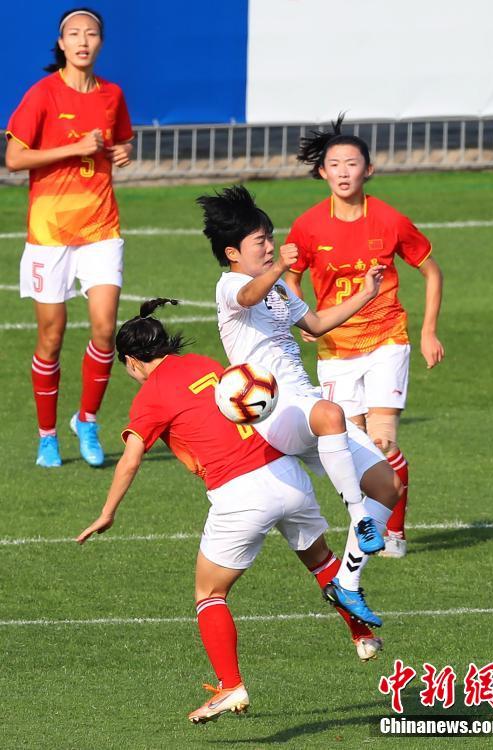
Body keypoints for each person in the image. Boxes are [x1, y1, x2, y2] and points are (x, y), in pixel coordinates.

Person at [77, 299, 385, 725]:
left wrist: (107, 512)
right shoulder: (204, 364)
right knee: (321, 561)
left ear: (131, 361)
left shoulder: (150, 396)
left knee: (209, 594)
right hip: (286, 474)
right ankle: (362, 635)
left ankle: (230, 685)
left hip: (239, 495)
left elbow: (130, 459)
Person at [196, 186, 402, 627]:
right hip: (272, 409)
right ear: (233, 253)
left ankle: (347, 582)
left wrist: (366, 293)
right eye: (260, 241)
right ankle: (358, 518)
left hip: (304, 404)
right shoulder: (230, 286)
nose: (270, 246)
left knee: (388, 485)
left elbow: (317, 323)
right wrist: (281, 269)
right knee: (332, 414)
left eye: (270, 237)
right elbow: (248, 298)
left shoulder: (277, 289)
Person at [284, 115, 445, 558]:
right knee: (352, 450)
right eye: (334, 165)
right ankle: (370, 525)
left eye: (352, 164)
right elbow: (291, 278)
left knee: (382, 440)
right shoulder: (308, 226)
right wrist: (305, 318)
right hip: (336, 349)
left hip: (387, 339)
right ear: (322, 172)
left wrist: (428, 331)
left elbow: (432, 271)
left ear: (368, 170)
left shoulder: (390, 220)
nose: (343, 172)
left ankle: (391, 533)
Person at [5, 7, 133, 468]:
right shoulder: (42, 94)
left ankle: (87, 420)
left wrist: (123, 152)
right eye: (74, 34)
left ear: (100, 41)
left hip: (101, 228)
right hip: (49, 233)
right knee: (51, 336)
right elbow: (14, 159)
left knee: (105, 328)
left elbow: (122, 142)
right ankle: (47, 436)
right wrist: (74, 148)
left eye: (91, 33)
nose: (82, 41)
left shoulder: (113, 94)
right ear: (61, 43)